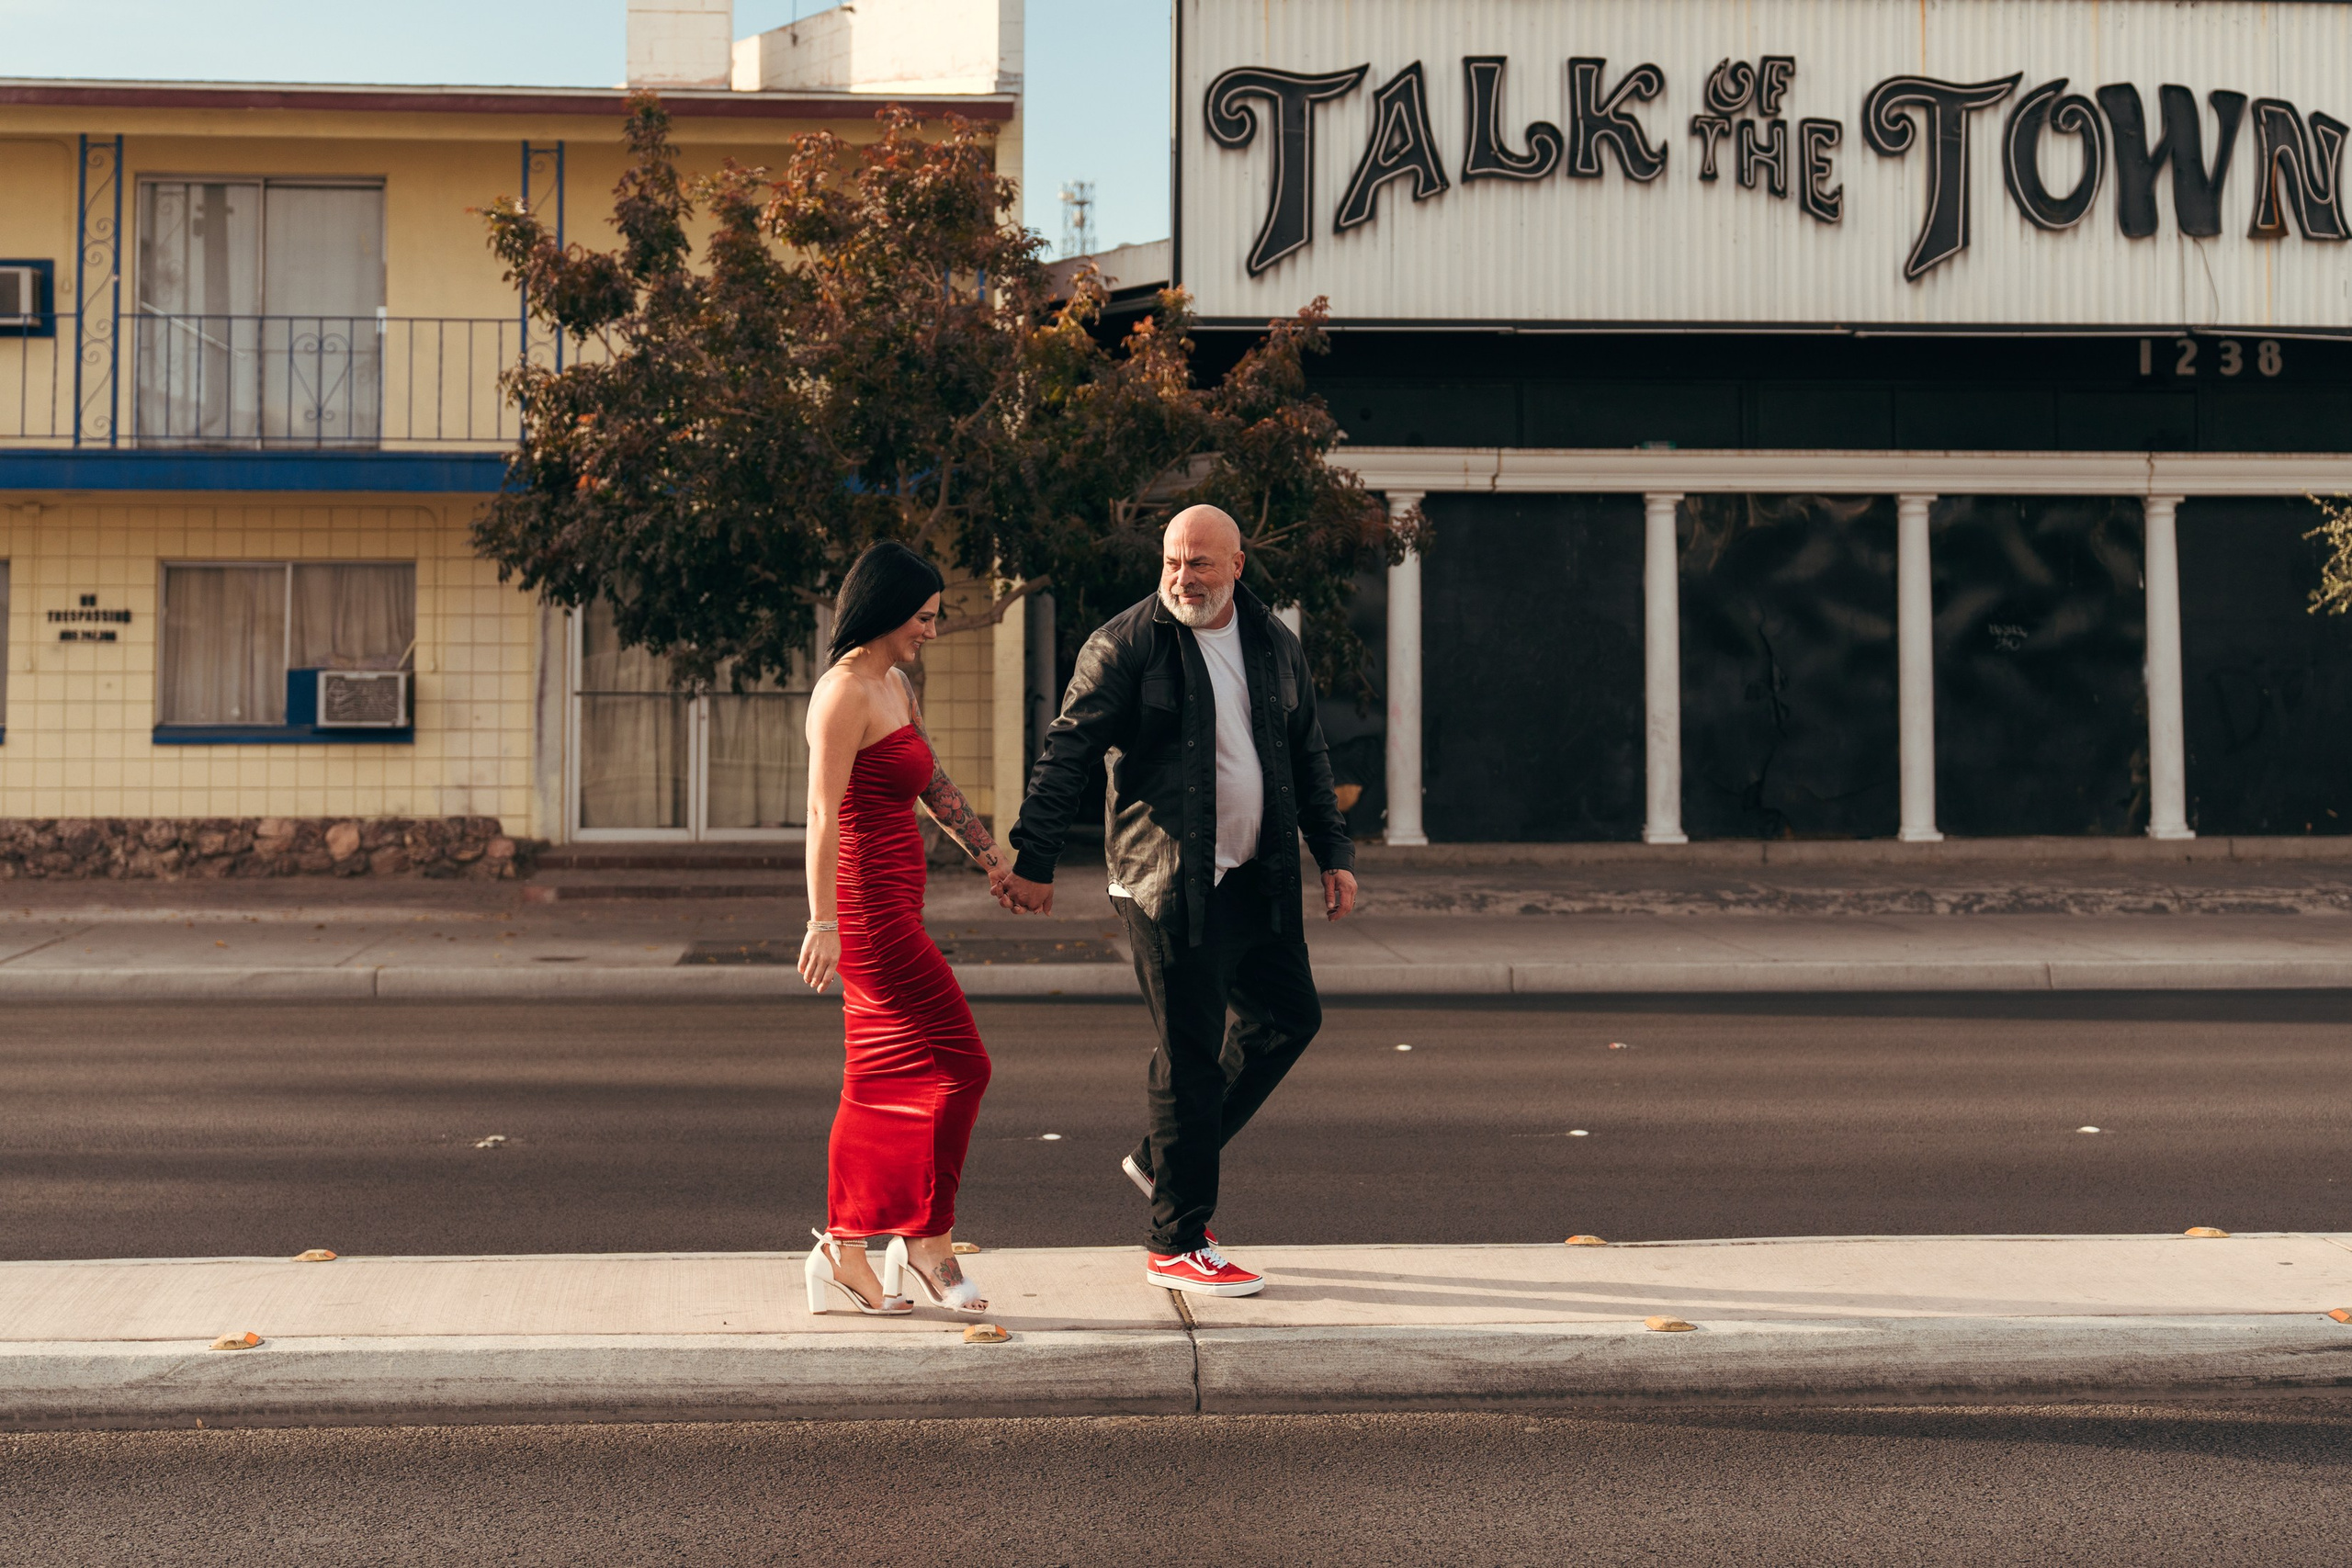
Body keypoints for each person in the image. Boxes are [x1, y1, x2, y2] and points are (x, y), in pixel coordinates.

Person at [998, 505, 1358, 1297]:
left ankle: (1164, 1158)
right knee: (1191, 1055)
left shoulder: (1272, 644)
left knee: (1289, 1018)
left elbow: (1306, 754)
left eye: (1199, 563)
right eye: (1172, 562)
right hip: (1166, 880)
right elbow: (1069, 751)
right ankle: (1177, 1238)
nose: (1182, 577)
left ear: (1236, 567)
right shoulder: (1127, 643)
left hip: (1254, 875)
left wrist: (1333, 853)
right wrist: (1035, 858)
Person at [797, 540, 1011, 1318]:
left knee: (878, 1076)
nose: (931, 628)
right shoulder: (843, 693)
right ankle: (924, 1238)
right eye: (923, 616)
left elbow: (935, 782)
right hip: (866, 913)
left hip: (898, 905)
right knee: (962, 1063)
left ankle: (847, 1247)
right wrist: (823, 922)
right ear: (887, 611)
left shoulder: (896, 683)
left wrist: (990, 854)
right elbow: (822, 814)